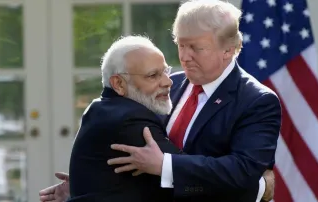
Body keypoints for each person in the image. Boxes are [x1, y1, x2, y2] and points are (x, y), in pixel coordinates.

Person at [39, 0, 279, 201]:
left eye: (196, 47)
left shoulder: (258, 101)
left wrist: (166, 165)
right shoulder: (165, 85)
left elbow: (241, 171)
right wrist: (97, 181)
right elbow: (132, 148)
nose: (184, 57)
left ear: (229, 49)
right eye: (180, 44)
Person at [66, 35, 181, 201]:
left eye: (165, 71)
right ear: (119, 84)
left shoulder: (100, 108)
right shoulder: (130, 120)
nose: (168, 81)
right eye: (153, 75)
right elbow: (187, 175)